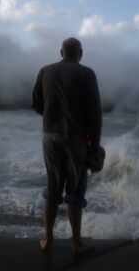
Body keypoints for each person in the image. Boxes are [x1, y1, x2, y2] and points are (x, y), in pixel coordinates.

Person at [32, 37, 102, 254]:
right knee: (75, 191)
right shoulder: (87, 74)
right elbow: (94, 113)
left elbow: (36, 104)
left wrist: (53, 116)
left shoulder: (45, 71)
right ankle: (76, 243)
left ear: (61, 52)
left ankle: (49, 238)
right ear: (80, 53)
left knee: (53, 187)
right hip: (77, 140)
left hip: (50, 137)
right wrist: (95, 145)